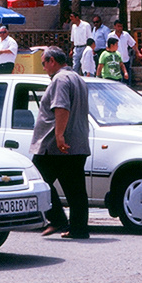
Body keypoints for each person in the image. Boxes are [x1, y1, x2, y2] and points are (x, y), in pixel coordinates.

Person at [31, 48, 91, 239]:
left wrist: (59, 136)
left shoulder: (60, 79)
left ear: (51, 61)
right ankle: (79, 228)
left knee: (38, 180)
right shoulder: (77, 78)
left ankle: (56, 218)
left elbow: (61, 107)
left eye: (43, 63)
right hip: (78, 142)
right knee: (75, 189)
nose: (44, 68)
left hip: (56, 145)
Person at [112, 21, 138, 88]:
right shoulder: (111, 36)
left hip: (125, 60)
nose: (120, 28)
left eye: (121, 26)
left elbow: (132, 44)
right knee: (117, 80)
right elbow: (108, 48)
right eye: (118, 26)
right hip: (115, 61)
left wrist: (138, 53)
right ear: (114, 26)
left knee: (126, 80)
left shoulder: (126, 35)